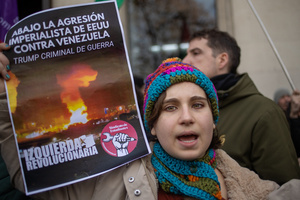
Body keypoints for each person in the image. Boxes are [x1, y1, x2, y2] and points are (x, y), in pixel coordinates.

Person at [0, 53, 279, 199]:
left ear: (213, 118)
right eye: (170, 107)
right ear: (153, 126)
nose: (186, 117)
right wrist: (4, 92)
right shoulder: (108, 182)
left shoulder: (244, 181)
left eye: (197, 104)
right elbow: (31, 177)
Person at [182, 29, 300, 185]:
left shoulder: (264, 112)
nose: (185, 61)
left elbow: (285, 189)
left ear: (222, 60)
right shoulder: (188, 111)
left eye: (196, 53)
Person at [274, 88, 300, 159]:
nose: (287, 100)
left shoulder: (295, 113)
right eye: (282, 97)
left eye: (288, 96)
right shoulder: (276, 117)